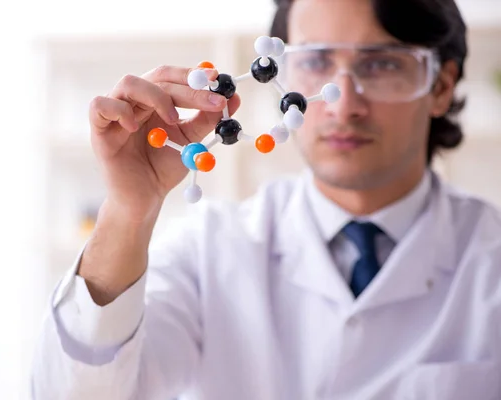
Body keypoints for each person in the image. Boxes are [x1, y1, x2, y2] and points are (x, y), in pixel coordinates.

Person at [30, 0, 501, 398]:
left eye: (381, 63)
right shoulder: (208, 250)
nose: (342, 103)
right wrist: (128, 211)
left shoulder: (491, 261)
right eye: (315, 62)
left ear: (438, 86)